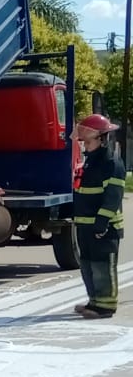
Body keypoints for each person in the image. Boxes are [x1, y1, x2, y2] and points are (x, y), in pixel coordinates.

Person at [71, 114, 125, 319]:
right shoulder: (91, 162)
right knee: (88, 266)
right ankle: (94, 301)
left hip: (104, 227)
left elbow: (113, 197)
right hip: (86, 225)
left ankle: (106, 306)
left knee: (102, 267)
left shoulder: (110, 163)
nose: (84, 144)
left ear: (101, 139)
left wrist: (101, 223)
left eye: (86, 140)